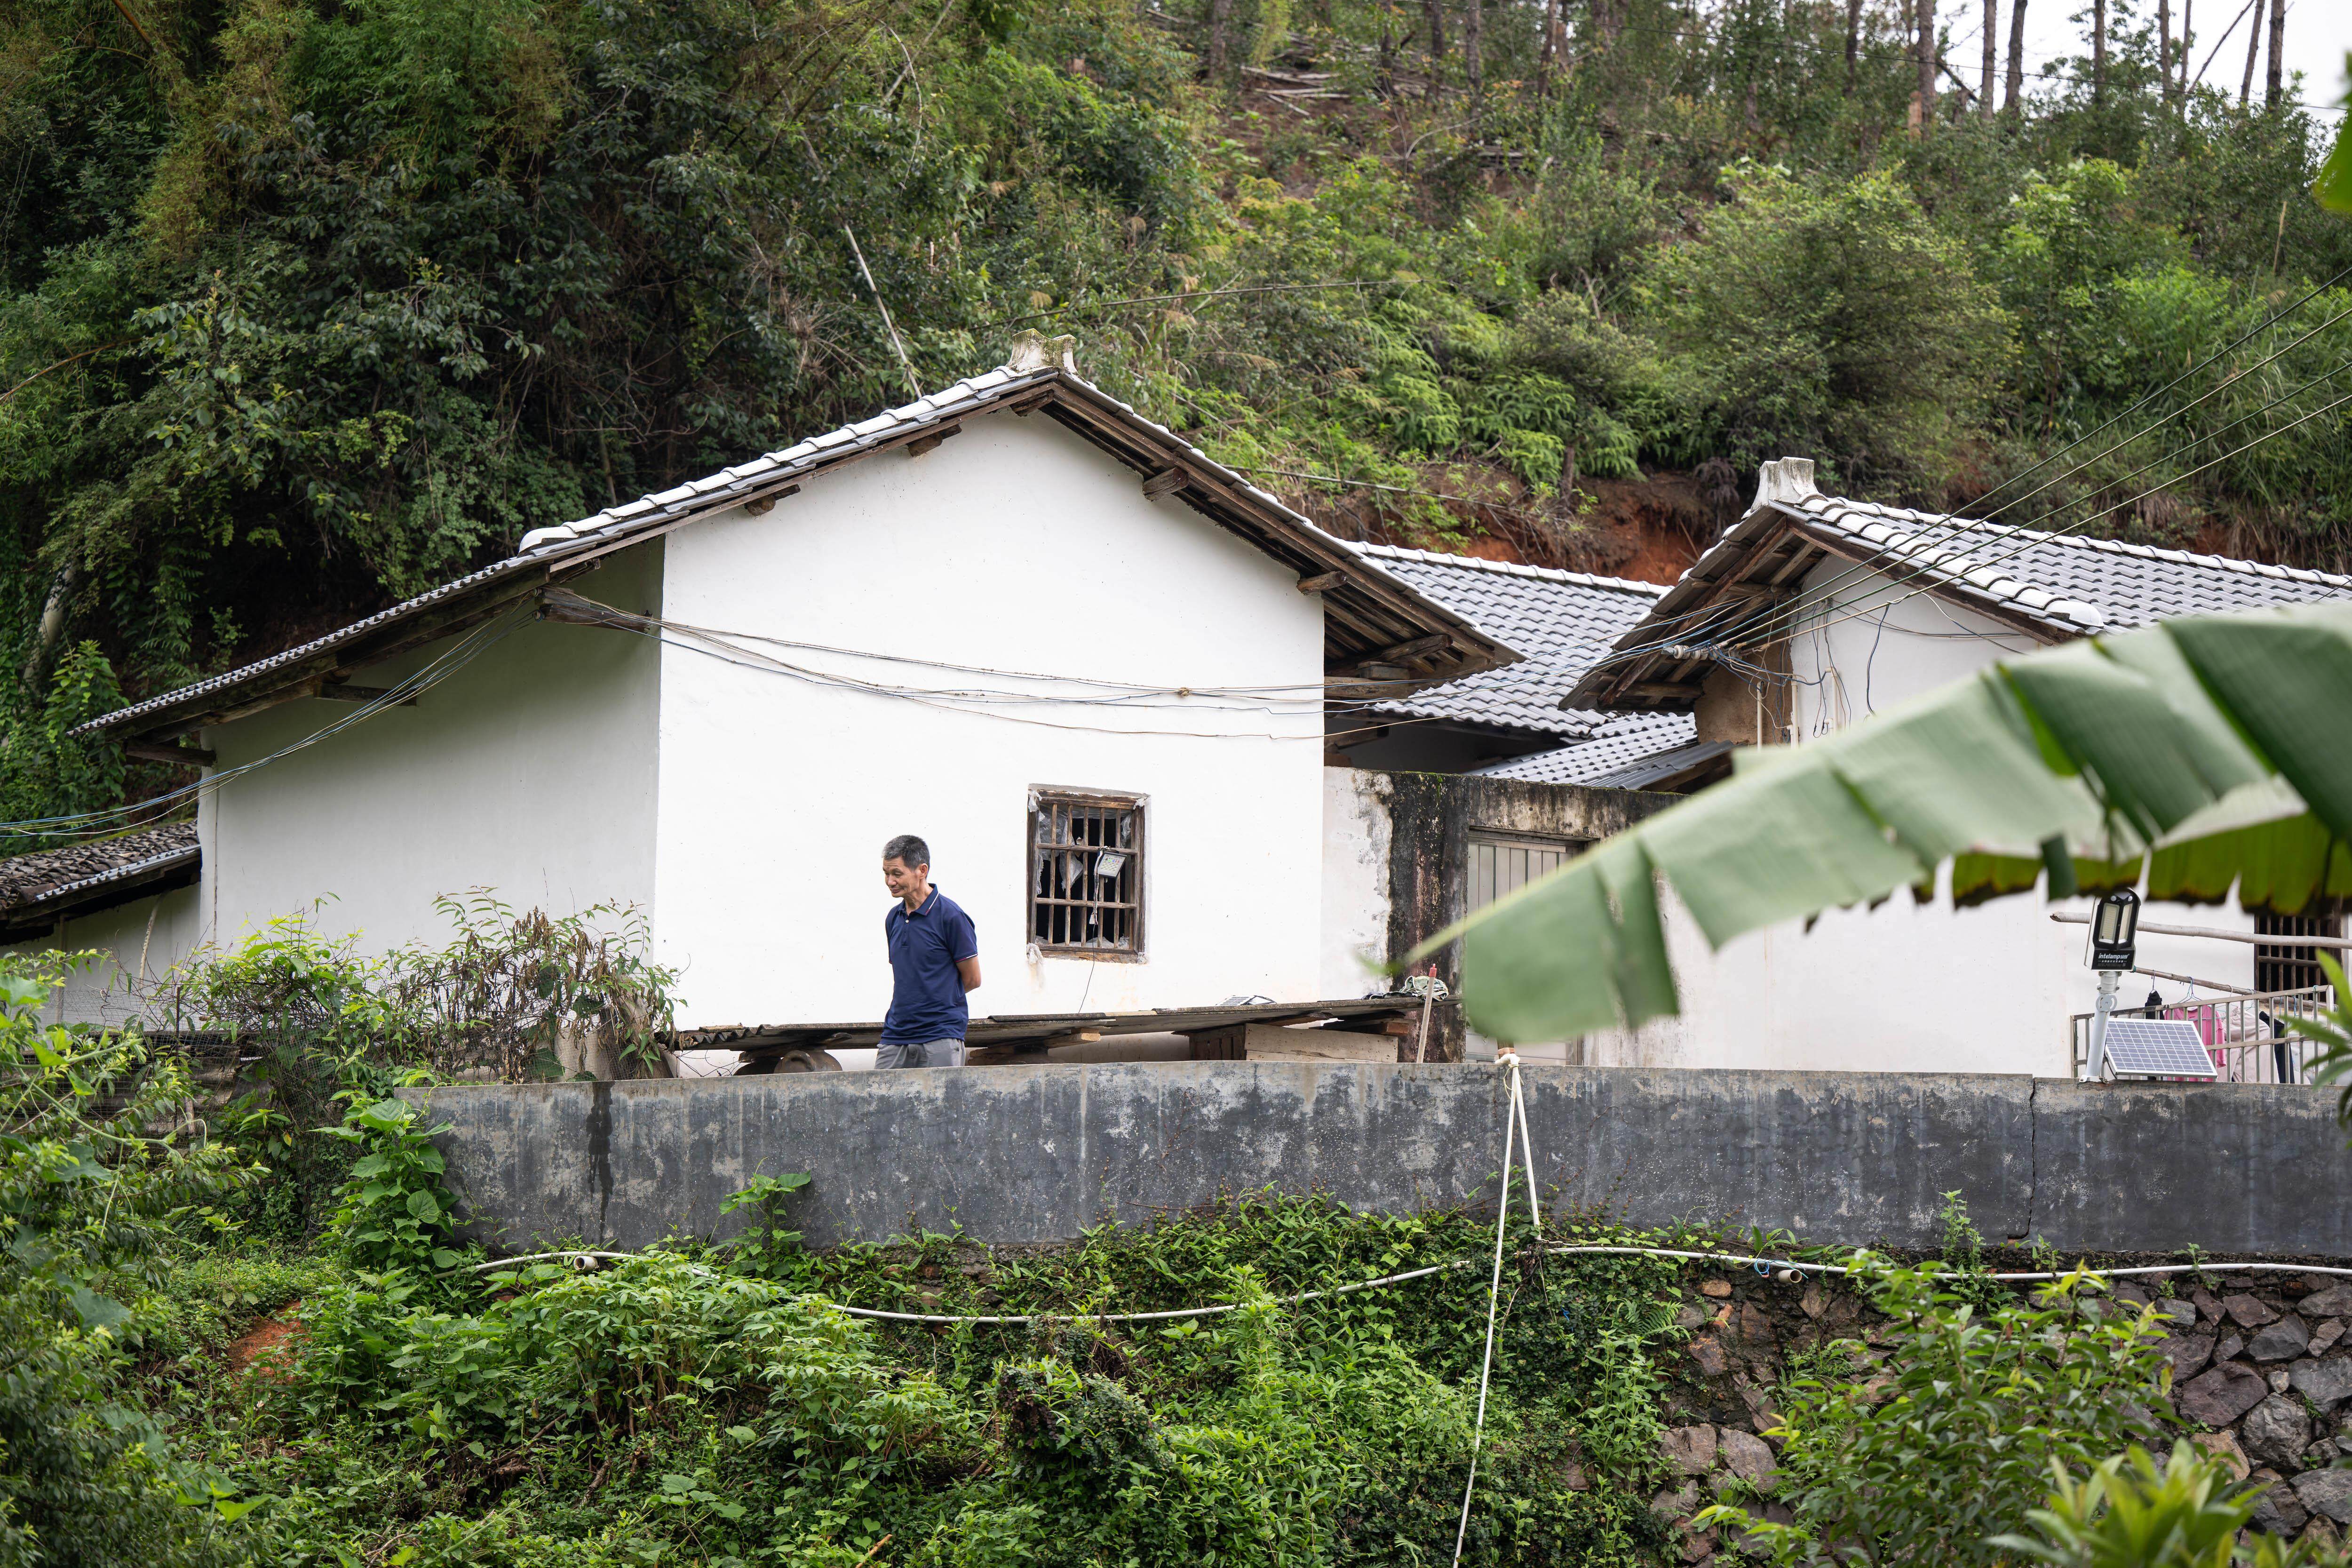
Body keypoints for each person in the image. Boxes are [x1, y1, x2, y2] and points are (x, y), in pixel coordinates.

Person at [877, 835, 980, 1068]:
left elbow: (973, 979)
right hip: (896, 1034)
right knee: (879, 1102)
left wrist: (935, 1000)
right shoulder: (893, 918)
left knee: (942, 1104)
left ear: (922, 870)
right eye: (886, 873)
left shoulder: (951, 917)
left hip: (940, 1035)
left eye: (897, 873)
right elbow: (909, 976)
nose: (890, 881)